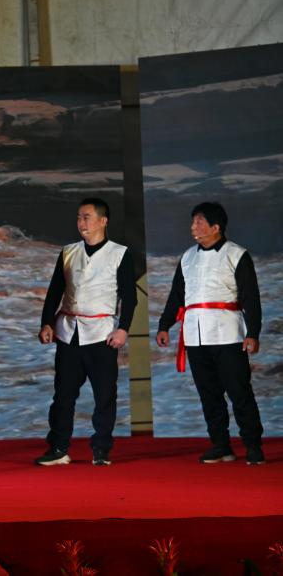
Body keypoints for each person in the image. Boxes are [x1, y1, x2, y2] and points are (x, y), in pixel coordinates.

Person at [156, 202, 264, 465]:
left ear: (216, 227)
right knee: (209, 393)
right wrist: (164, 325)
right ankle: (221, 445)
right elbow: (177, 296)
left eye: (199, 222)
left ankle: (253, 445)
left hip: (228, 334)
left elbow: (250, 297)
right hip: (195, 335)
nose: (193, 226)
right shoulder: (187, 257)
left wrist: (253, 332)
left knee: (239, 391)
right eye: (193, 221)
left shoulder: (236, 254)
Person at [35, 198, 136, 466]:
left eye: (87, 217)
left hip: (102, 333)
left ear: (103, 221)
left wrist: (123, 329)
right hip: (69, 331)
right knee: (63, 394)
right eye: (79, 217)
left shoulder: (120, 253)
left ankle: (101, 449)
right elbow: (55, 291)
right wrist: (46, 323)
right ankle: (58, 448)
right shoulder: (69, 251)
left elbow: (130, 297)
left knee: (104, 394)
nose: (82, 223)